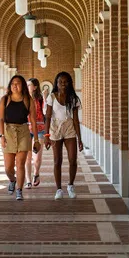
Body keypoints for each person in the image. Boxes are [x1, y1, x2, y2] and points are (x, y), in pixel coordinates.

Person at [44, 71, 83, 199]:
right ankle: (59, 189)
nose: (63, 84)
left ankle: (70, 185)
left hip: (69, 127)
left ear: (69, 83)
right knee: (57, 161)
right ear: (57, 83)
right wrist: (46, 136)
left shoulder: (74, 99)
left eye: (65, 82)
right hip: (55, 128)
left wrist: (80, 139)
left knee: (73, 160)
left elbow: (76, 120)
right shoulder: (52, 97)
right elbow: (48, 117)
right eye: (60, 82)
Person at [0, 75, 37, 200]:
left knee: (20, 163)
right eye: (13, 83)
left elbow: (34, 121)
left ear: (23, 86)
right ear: (10, 85)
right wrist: (1, 136)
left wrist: (36, 139)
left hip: (23, 132)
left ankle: (19, 190)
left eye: (18, 83)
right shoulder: (5, 99)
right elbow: (1, 119)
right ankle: (12, 180)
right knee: (8, 167)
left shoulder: (28, 100)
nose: (15, 85)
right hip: (8, 132)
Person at [24, 78, 46, 188]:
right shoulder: (23, 98)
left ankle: (36, 173)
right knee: (27, 157)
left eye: (29, 85)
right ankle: (28, 180)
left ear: (35, 87)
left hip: (40, 129)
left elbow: (46, 112)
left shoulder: (40, 99)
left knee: (37, 158)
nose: (27, 87)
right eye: (27, 85)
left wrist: (45, 98)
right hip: (26, 130)